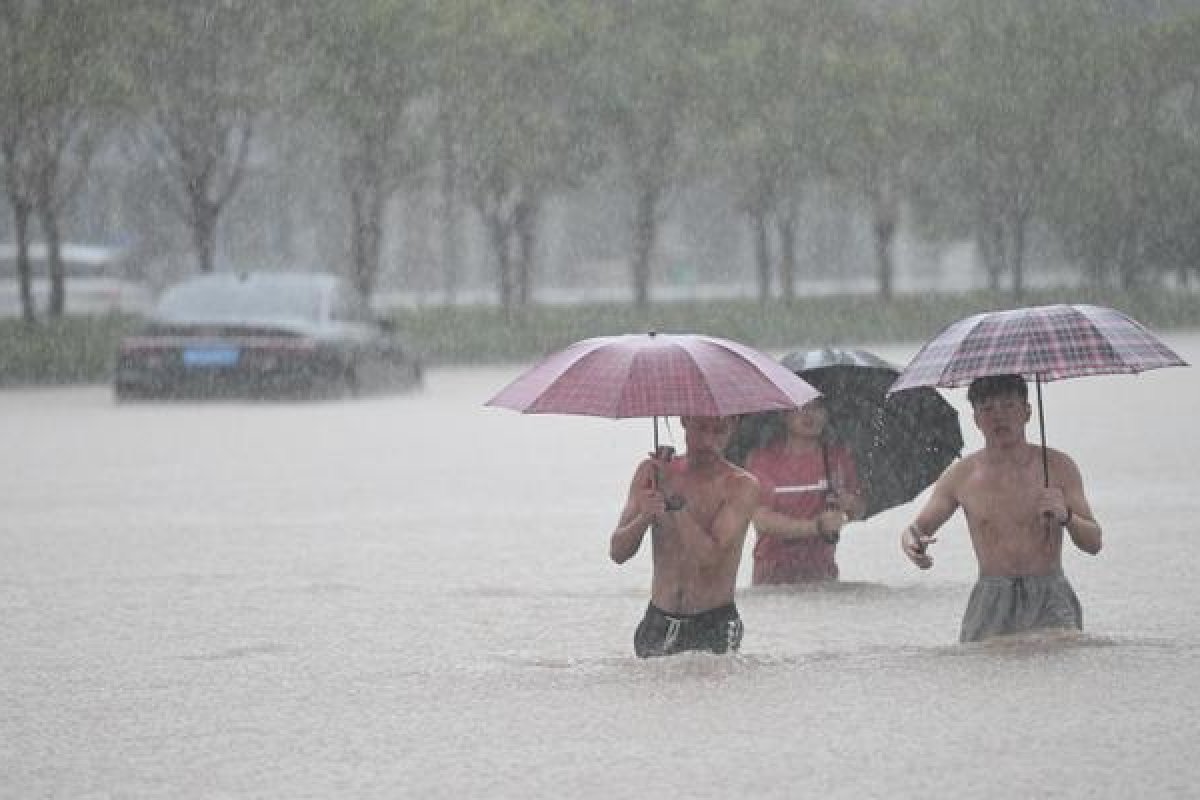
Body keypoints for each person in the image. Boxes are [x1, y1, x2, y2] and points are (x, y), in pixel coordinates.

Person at [900, 374, 1103, 643]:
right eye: (988, 409)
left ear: (1027, 411)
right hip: (992, 596)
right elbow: (916, 530)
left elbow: (1094, 543)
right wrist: (913, 545)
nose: (999, 417)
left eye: (1008, 406)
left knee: (1058, 672)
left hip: (1049, 592)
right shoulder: (962, 475)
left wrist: (1067, 516)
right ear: (975, 419)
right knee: (987, 676)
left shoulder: (1058, 467)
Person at [610, 415, 760, 658]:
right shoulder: (651, 473)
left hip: (713, 624)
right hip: (658, 621)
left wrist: (674, 499)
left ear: (733, 428)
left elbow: (709, 559)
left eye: (719, 431)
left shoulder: (741, 486)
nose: (709, 441)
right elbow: (618, 552)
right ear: (685, 421)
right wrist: (645, 517)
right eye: (701, 428)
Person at [744, 398, 866, 584]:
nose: (810, 415)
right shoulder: (762, 460)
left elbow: (858, 510)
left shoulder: (837, 458)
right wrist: (815, 527)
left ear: (827, 414)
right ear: (784, 413)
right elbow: (761, 520)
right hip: (772, 578)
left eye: (818, 407)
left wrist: (850, 504)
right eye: (801, 407)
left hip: (822, 575)